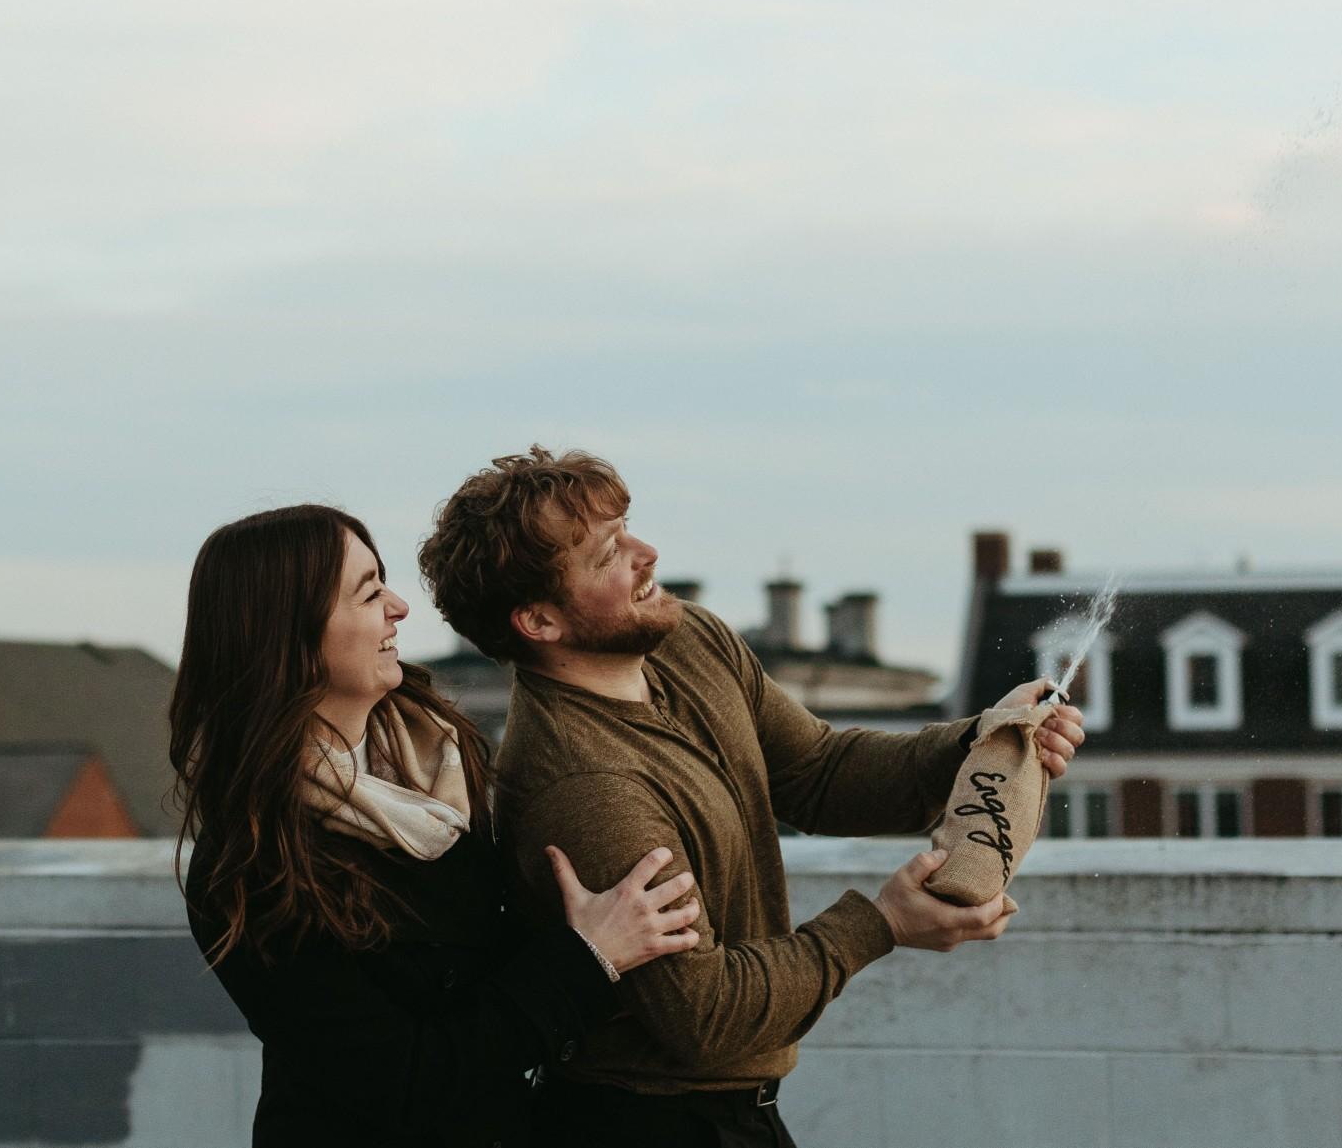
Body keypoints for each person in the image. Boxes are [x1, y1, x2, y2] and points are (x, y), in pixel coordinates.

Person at [416, 450, 1087, 1147]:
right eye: (609, 553)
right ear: (539, 621)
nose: (647, 554)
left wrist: (980, 740)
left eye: (628, 528)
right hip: (646, 1123)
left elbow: (819, 771)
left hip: (735, 1114)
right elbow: (703, 1014)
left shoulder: (687, 641)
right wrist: (880, 923)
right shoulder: (585, 788)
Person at [170, 503, 705, 1147]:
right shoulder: (256, 859)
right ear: (290, 635)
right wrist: (588, 957)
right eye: (369, 593)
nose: (398, 607)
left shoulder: (435, 757)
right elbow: (405, 1080)